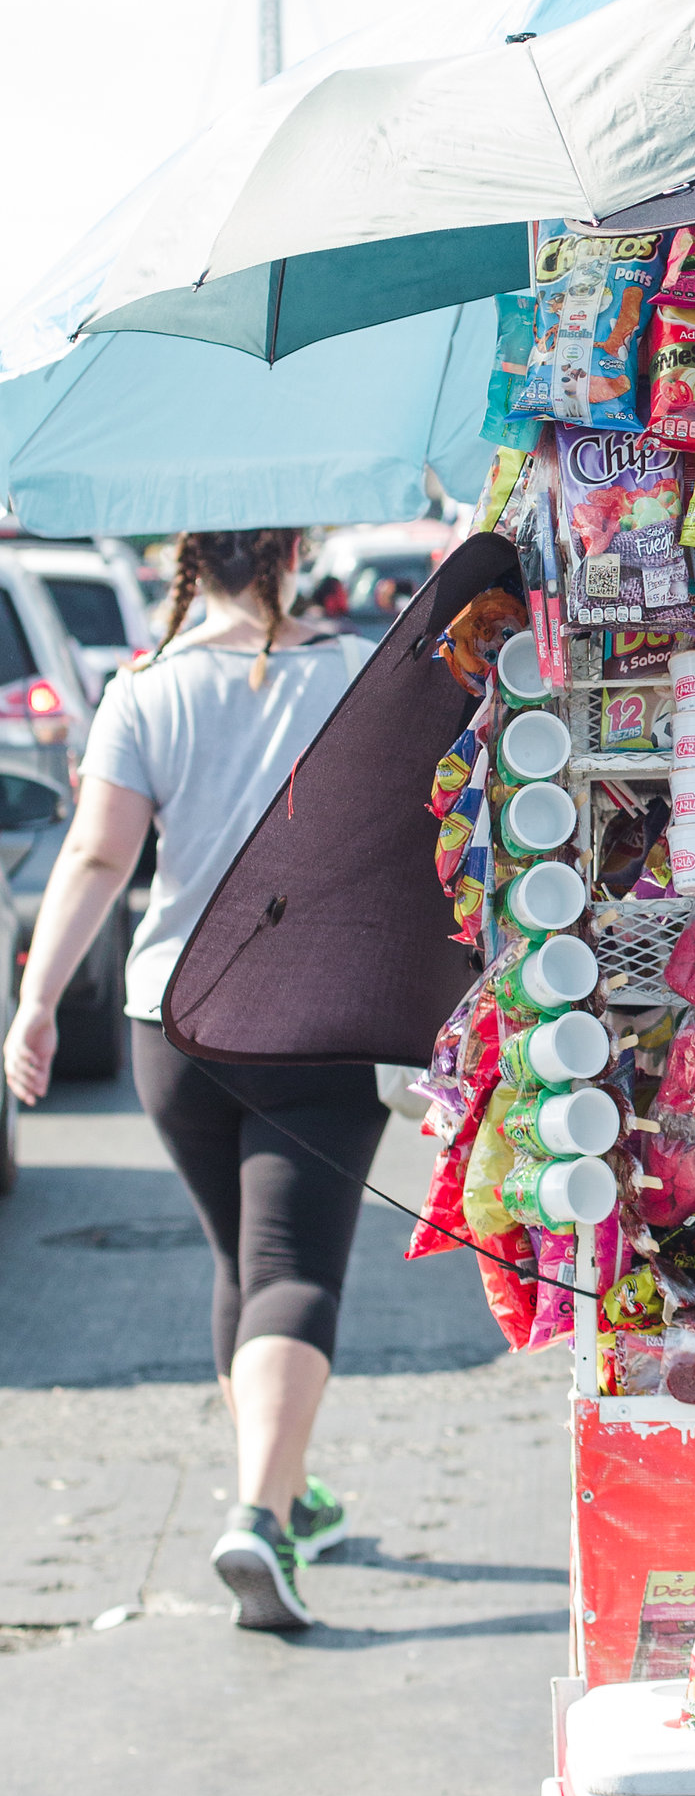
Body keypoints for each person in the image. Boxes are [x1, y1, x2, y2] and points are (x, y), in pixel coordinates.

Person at [3, 529, 382, 1634]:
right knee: (290, 1264)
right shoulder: (352, 674)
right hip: (316, 1014)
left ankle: (288, 1488)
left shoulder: (144, 689)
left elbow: (98, 857)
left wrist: (34, 1003)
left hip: (168, 1026)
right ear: (297, 550)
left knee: (240, 1262)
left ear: (186, 559)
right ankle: (260, 1512)